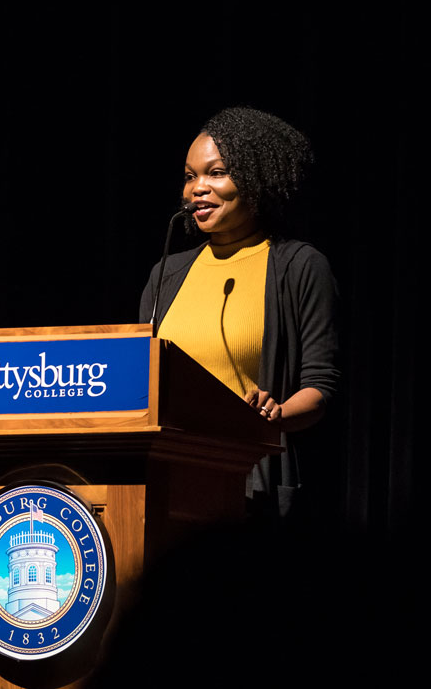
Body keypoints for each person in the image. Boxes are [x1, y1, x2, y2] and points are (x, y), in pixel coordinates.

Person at [138, 107, 339, 524]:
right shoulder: (166, 274)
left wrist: (274, 415)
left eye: (217, 173)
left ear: (256, 178)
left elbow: (321, 386)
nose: (198, 188)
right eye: (191, 176)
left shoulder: (298, 266)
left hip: (249, 485)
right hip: (164, 481)